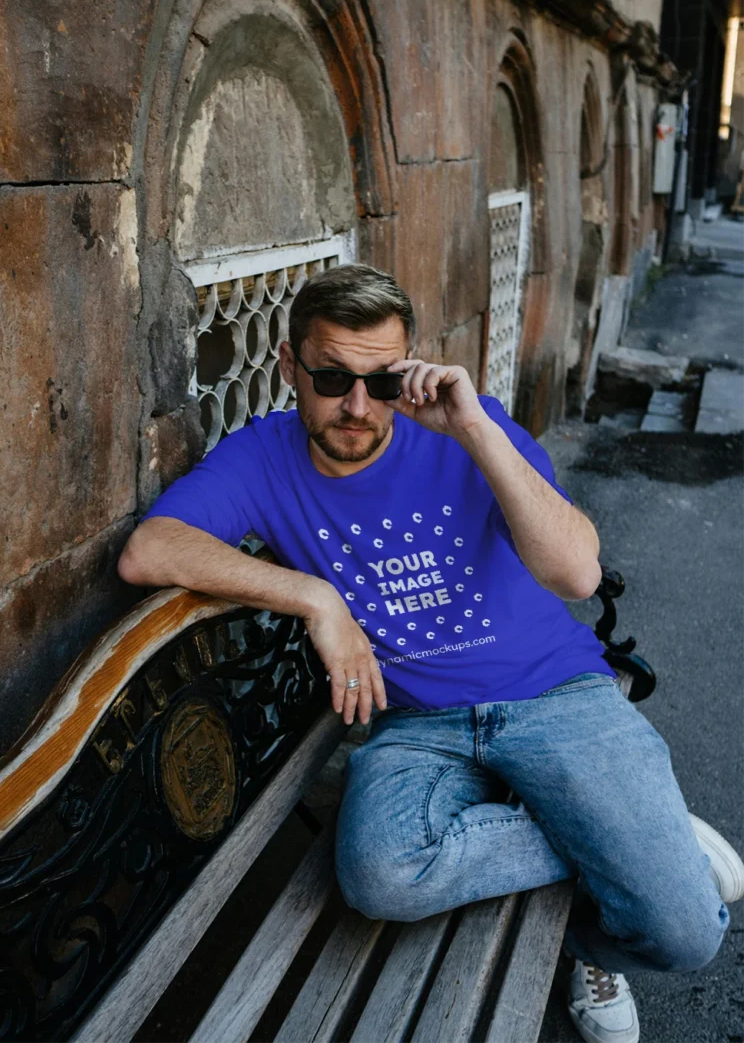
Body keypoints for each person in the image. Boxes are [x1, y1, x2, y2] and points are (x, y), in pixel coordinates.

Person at [118, 265, 743, 1043]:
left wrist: (477, 428)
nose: (355, 407)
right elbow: (150, 551)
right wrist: (317, 598)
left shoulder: (464, 430)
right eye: (331, 377)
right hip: (418, 723)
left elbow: (576, 572)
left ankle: (591, 936)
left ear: (408, 366)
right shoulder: (263, 458)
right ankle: (627, 838)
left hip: (555, 693)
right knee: (379, 873)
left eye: (379, 383)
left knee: (688, 932)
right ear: (288, 368)